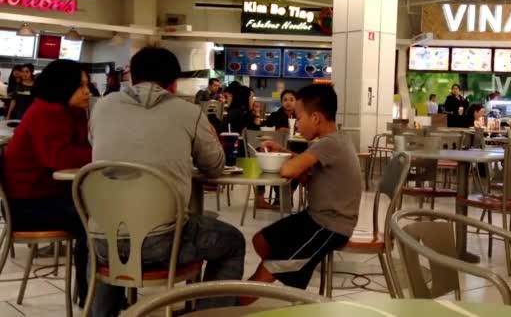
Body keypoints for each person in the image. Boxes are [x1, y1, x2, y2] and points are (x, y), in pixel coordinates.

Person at [89, 47, 245, 316]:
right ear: (174, 83)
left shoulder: (102, 106)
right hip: (161, 245)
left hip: (101, 241)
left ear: (130, 77)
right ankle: (207, 315)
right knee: (232, 241)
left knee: (113, 226)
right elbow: (214, 166)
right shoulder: (188, 112)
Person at [243, 84, 361, 303]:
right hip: (314, 217)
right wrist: (283, 151)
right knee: (262, 240)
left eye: (298, 117)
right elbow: (307, 174)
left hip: (330, 226)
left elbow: (289, 170)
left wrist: (283, 159)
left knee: (266, 270)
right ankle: (293, 271)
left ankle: (241, 302)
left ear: (315, 118)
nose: (296, 124)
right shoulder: (333, 140)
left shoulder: (330, 143)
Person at [3, 59, 92, 306]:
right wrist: (106, 152)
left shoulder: (69, 111)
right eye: (80, 86)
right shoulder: (48, 111)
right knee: (97, 225)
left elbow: (80, 151)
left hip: (47, 196)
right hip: (28, 206)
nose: (87, 91)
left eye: (87, 85)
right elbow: (60, 158)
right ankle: (93, 299)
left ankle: (99, 296)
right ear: (62, 87)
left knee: (102, 218)